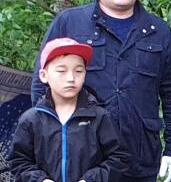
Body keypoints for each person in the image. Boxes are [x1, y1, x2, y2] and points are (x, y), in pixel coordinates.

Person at [30, 0, 171, 182]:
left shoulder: (158, 32)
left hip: (140, 158)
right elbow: (40, 87)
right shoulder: (70, 23)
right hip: (81, 157)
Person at [11, 37, 129, 182]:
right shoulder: (31, 120)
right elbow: (19, 162)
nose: (71, 78)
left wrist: (91, 179)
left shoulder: (99, 117)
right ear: (43, 75)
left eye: (78, 71)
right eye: (62, 71)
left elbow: (119, 159)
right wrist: (40, 180)